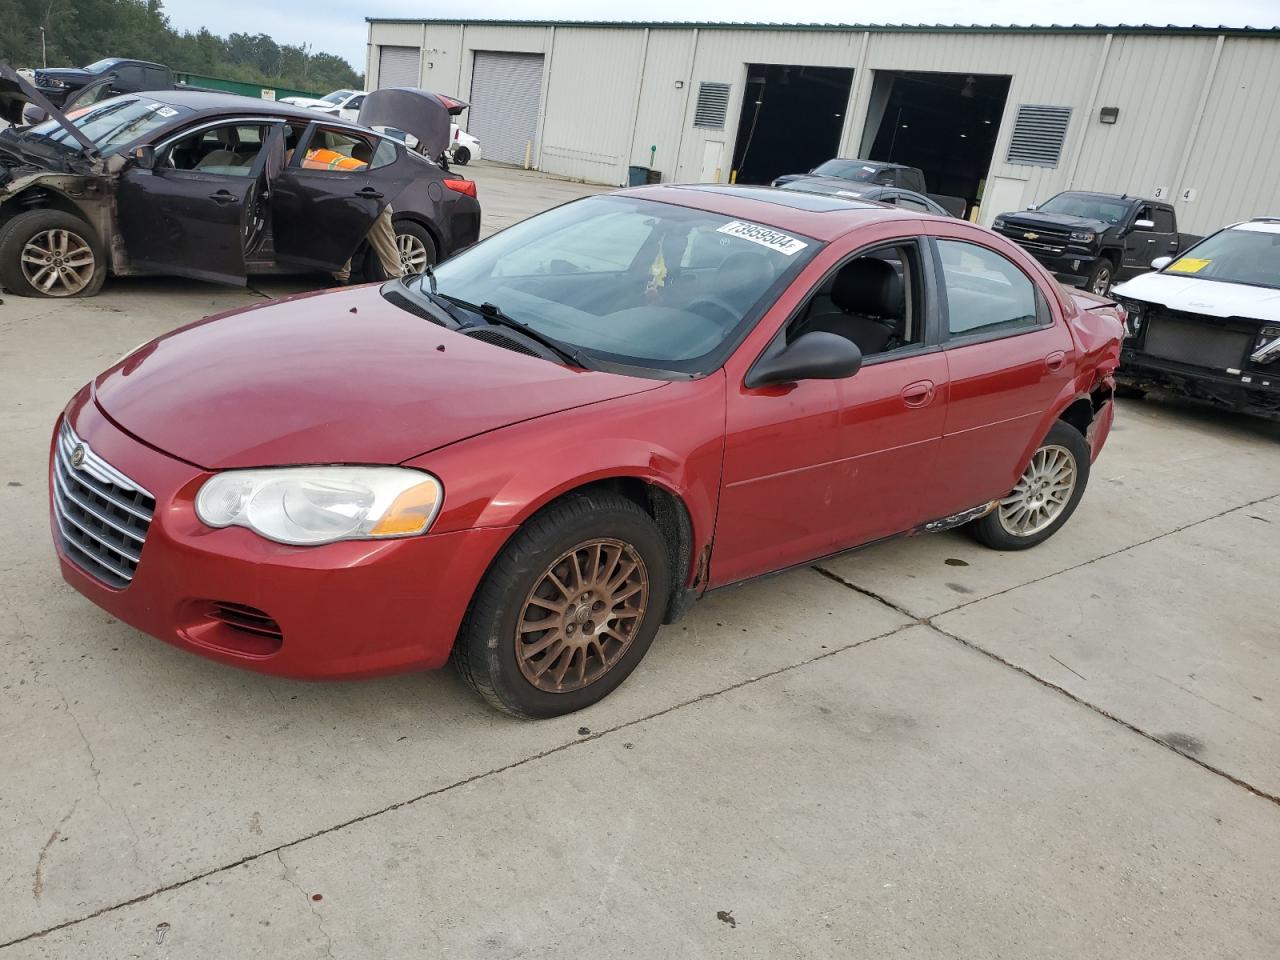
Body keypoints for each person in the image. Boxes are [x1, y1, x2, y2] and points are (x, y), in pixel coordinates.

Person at [289, 141, 402, 284]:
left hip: (372, 198)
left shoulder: (308, 164)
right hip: (360, 196)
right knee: (344, 236)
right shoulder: (321, 155)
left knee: (383, 241)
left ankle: (396, 279)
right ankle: (341, 278)